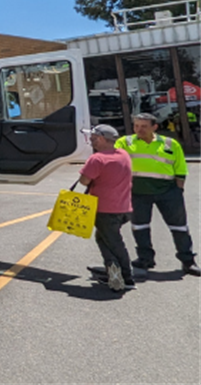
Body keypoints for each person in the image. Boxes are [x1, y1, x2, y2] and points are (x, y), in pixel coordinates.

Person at [114, 113, 200, 276]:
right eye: (137, 126)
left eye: (144, 126)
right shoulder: (124, 142)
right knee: (140, 227)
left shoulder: (170, 144)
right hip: (137, 192)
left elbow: (180, 168)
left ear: (155, 127)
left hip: (168, 192)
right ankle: (145, 259)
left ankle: (188, 261)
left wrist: (178, 190)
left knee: (179, 227)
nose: (139, 129)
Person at [78, 125, 134, 291]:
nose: (91, 141)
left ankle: (124, 275)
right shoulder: (123, 155)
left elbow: (84, 181)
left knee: (114, 242)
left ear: (102, 139)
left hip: (105, 208)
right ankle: (112, 270)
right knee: (104, 238)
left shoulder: (98, 159)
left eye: (94, 138)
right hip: (124, 207)